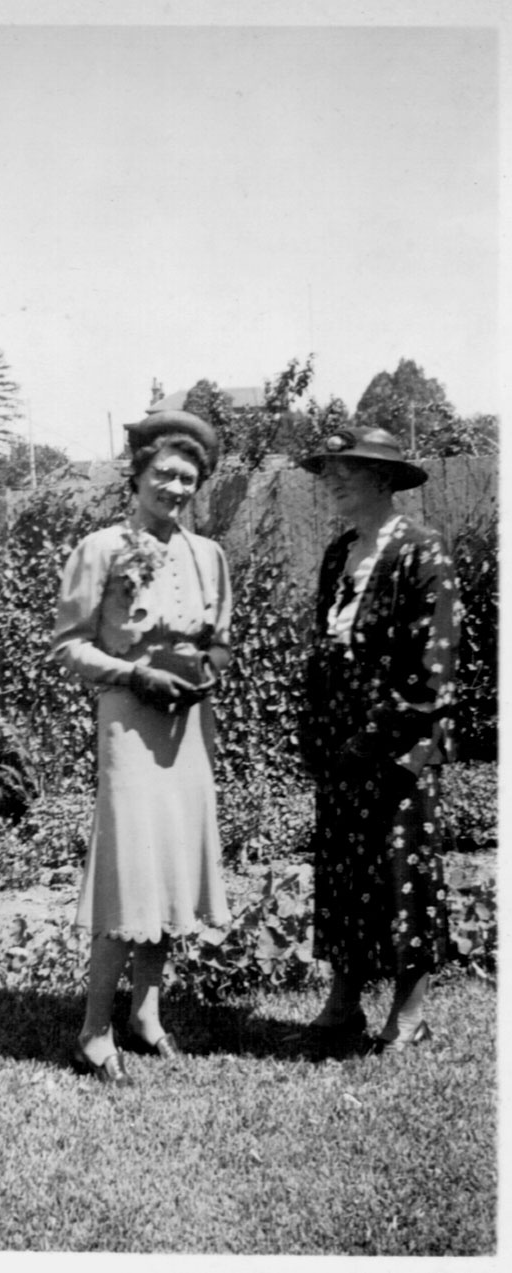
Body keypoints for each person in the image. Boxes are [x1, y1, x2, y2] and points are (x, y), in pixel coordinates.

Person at [52, 410, 231, 1086]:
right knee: (129, 874)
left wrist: (205, 670)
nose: (175, 487)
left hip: (186, 728)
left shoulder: (207, 553)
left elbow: (220, 635)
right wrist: (133, 673)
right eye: (164, 473)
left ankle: (146, 1015)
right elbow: (69, 644)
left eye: (188, 477)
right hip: (129, 723)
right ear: (137, 475)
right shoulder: (100, 548)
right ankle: (94, 1031)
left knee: (170, 868)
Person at [298, 426, 461, 1053]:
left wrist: (373, 738)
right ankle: (342, 1006)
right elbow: (324, 649)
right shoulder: (341, 552)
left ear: (384, 479)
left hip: (398, 745)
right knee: (344, 871)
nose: (333, 479)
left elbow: (433, 669)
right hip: (342, 745)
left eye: (348, 469)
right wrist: (319, 733)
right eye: (328, 470)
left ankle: (409, 1015)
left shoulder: (424, 552)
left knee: (401, 875)